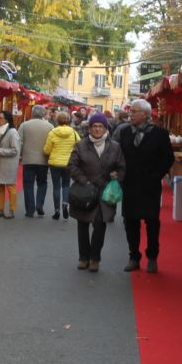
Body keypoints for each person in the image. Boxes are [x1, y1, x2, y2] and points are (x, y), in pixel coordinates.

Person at [115, 98, 175, 273]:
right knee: (130, 222)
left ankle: (152, 256)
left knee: (152, 222)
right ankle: (134, 256)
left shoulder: (159, 134)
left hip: (150, 186)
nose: (130, 114)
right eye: (130, 111)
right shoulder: (125, 132)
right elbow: (117, 154)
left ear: (145, 114)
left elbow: (168, 159)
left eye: (133, 111)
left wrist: (155, 175)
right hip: (130, 185)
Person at [68, 113, 124, 271]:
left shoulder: (114, 146)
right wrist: (83, 180)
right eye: (94, 126)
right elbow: (72, 165)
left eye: (100, 126)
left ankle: (95, 258)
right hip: (84, 191)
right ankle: (83, 257)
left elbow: (121, 167)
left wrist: (117, 176)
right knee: (83, 223)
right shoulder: (81, 145)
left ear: (105, 128)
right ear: (90, 128)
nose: (97, 129)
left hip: (105, 192)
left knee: (100, 225)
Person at [18, 104, 55, 217]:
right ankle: (39, 204)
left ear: (32, 113)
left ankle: (30, 210)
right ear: (44, 114)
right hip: (43, 159)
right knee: (42, 183)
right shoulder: (49, 126)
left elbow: (18, 141)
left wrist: (21, 154)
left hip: (28, 159)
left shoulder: (24, 125)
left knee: (28, 184)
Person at [44, 109, 80, 220]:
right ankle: (65, 203)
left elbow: (47, 150)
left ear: (57, 120)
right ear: (68, 120)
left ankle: (57, 211)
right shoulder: (73, 132)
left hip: (55, 163)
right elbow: (79, 146)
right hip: (68, 163)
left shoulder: (53, 132)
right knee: (66, 185)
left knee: (56, 186)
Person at [0, 109, 21, 219]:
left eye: (0, 118)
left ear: (7, 119)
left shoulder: (13, 132)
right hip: (0, 162)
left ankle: (11, 210)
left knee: (10, 187)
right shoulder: (0, 130)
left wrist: (0, 150)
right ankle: (0, 209)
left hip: (9, 164)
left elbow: (15, 150)